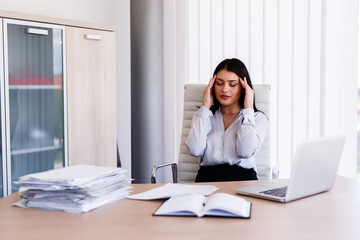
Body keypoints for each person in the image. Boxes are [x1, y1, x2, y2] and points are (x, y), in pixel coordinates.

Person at [186, 58, 268, 182]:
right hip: (207, 180)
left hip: (243, 180)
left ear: (243, 88)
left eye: (232, 84)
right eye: (219, 83)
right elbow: (194, 150)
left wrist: (248, 108)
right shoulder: (204, 116)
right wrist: (205, 106)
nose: (225, 89)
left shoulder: (257, 118)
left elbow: (245, 152)